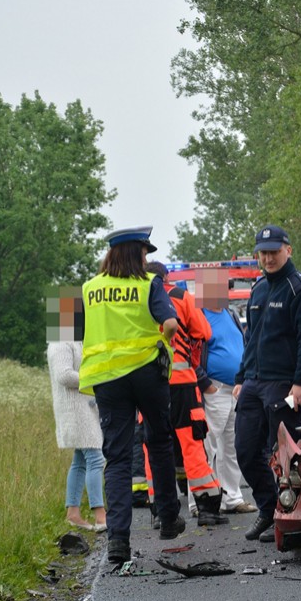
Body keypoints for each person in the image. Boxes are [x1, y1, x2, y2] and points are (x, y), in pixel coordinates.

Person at [79, 226, 185, 564]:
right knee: (159, 440)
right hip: (146, 372)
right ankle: (168, 518)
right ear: (135, 254)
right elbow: (170, 324)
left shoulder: (89, 288)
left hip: (108, 378)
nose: (146, 258)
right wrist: (161, 343)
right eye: (144, 252)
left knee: (118, 457)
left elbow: (78, 331)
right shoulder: (148, 285)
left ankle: (118, 542)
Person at [233, 224, 301, 541]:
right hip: (254, 384)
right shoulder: (258, 290)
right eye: (263, 252)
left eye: (274, 251)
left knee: (286, 458)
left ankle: (289, 517)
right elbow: (250, 339)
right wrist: (241, 378)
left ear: (289, 250)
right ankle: (268, 509)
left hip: (284, 386)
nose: (268, 258)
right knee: (245, 450)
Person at [144, 261, 226, 527]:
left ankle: (160, 512)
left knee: (153, 448)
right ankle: (208, 509)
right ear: (166, 277)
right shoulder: (180, 296)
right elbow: (204, 332)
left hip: (149, 384)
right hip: (181, 382)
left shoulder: (137, 299)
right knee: (192, 443)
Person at [195, 267, 256, 514]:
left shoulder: (229, 314)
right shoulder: (199, 315)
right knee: (208, 447)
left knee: (231, 448)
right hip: (214, 391)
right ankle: (202, 501)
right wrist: (204, 383)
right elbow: (192, 354)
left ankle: (232, 497)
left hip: (234, 391)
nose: (225, 291)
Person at [46, 292, 106, 533]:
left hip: (83, 407)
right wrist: (94, 379)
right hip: (74, 410)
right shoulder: (60, 343)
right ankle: (100, 515)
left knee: (80, 461)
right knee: (95, 458)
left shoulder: (73, 340)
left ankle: (73, 513)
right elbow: (63, 375)